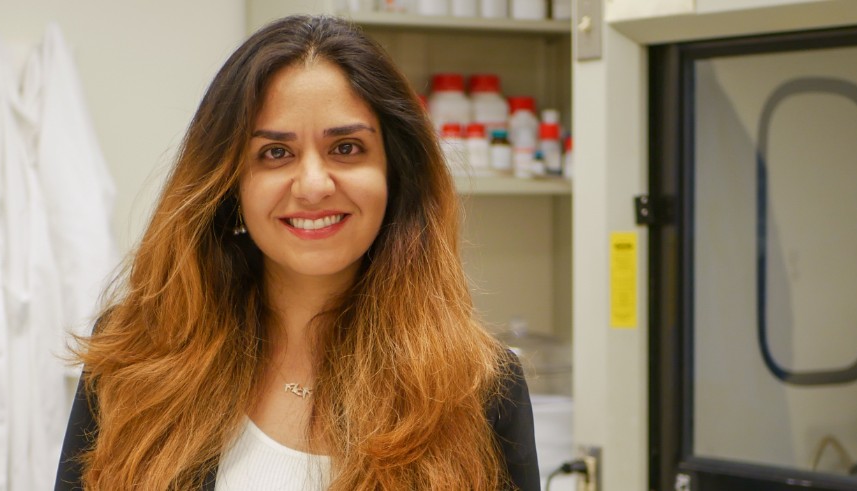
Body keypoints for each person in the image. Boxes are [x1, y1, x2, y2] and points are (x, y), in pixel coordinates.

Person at [55, 14, 539, 491]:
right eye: (275, 153)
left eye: (347, 148)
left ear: (396, 175)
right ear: (230, 184)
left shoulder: (479, 387)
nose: (313, 185)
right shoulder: (136, 354)